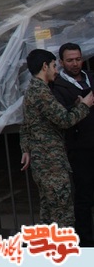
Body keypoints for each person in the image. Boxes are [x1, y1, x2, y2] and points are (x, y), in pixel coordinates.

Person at [20, 48, 94, 228]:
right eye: (54, 66)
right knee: (62, 213)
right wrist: (85, 105)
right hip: (50, 162)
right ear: (45, 66)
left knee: (49, 212)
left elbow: (28, 124)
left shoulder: (34, 89)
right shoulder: (41, 91)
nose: (56, 71)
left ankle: (48, 244)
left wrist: (26, 149)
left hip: (44, 160)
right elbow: (64, 120)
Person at [51, 42, 94, 245]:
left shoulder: (91, 77)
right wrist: (77, 106)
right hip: (80, 148)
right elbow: (60, 116)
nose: (75, 64)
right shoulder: (57, 85)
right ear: (61, 62)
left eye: (78, 59)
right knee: (84, 196)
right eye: (70, 60)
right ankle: (86, 242)